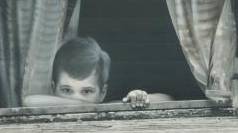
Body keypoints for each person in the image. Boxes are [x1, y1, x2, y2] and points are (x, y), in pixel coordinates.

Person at [22, 37, 173, 107]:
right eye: (67, 90)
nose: (75, 97)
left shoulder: (110, 109)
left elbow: (167, 99)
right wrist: (93, 107)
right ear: (53, 88)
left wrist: (136, 98)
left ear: (103, 93)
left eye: (87, 91)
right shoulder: (103, 108)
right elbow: (29, 102)